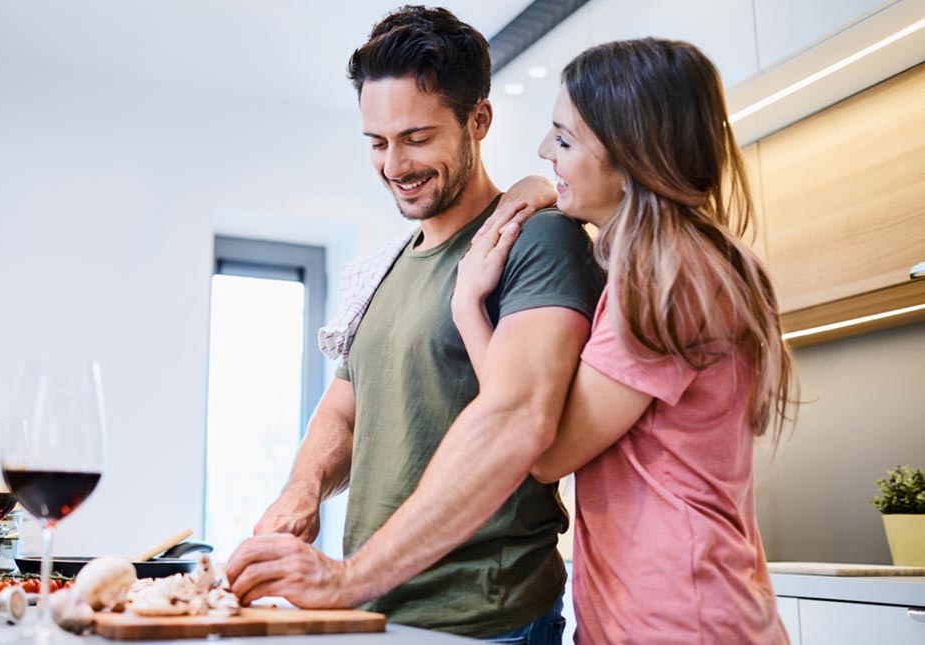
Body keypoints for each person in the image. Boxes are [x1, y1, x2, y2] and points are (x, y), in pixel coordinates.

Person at [225, 6, 604, 641]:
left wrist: (346, 580)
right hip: (379, 612)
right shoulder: (384, 268)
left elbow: (521, 421)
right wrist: (303, 490)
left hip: (485, 619)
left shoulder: (536, 239)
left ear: (478, 120)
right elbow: (346, 408)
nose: (394, 165)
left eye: (417, 138)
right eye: (377, 143)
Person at [453, 38, 799, 643]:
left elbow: (543, 450)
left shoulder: (665, 281)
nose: (543, 150)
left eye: (563, 139)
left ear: (629, 157)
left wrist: (468, 309)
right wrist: (550, 187)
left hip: (676, 621)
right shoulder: (684, 265)